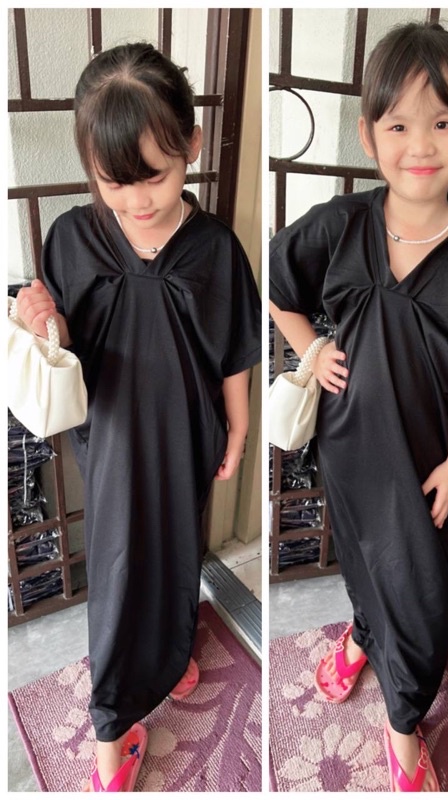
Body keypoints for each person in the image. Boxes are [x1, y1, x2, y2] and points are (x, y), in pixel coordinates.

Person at [269, 21, 448, 793]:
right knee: (367, 569)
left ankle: (402, 722)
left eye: (442, 123)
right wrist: (312, 349)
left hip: (430, 469)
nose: (421, 145)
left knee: (426, 605)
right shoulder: (340, 224)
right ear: (368, 135)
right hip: (351, 453)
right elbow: (280, 290)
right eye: (399, 126)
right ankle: (361, 633)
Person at [15, 43, 262, 792]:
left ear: (191, 144)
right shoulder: (72, 237)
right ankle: (112, 731)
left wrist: (239, 428)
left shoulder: (215, 248)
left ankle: (171, 653)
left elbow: (234, 350)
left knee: (178, 548)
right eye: (114, 181)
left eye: (154, 175)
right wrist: (37, 319)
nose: (136, 199)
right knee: (121, 568)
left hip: (188, 434)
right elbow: (62, 343)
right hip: (114, 439)